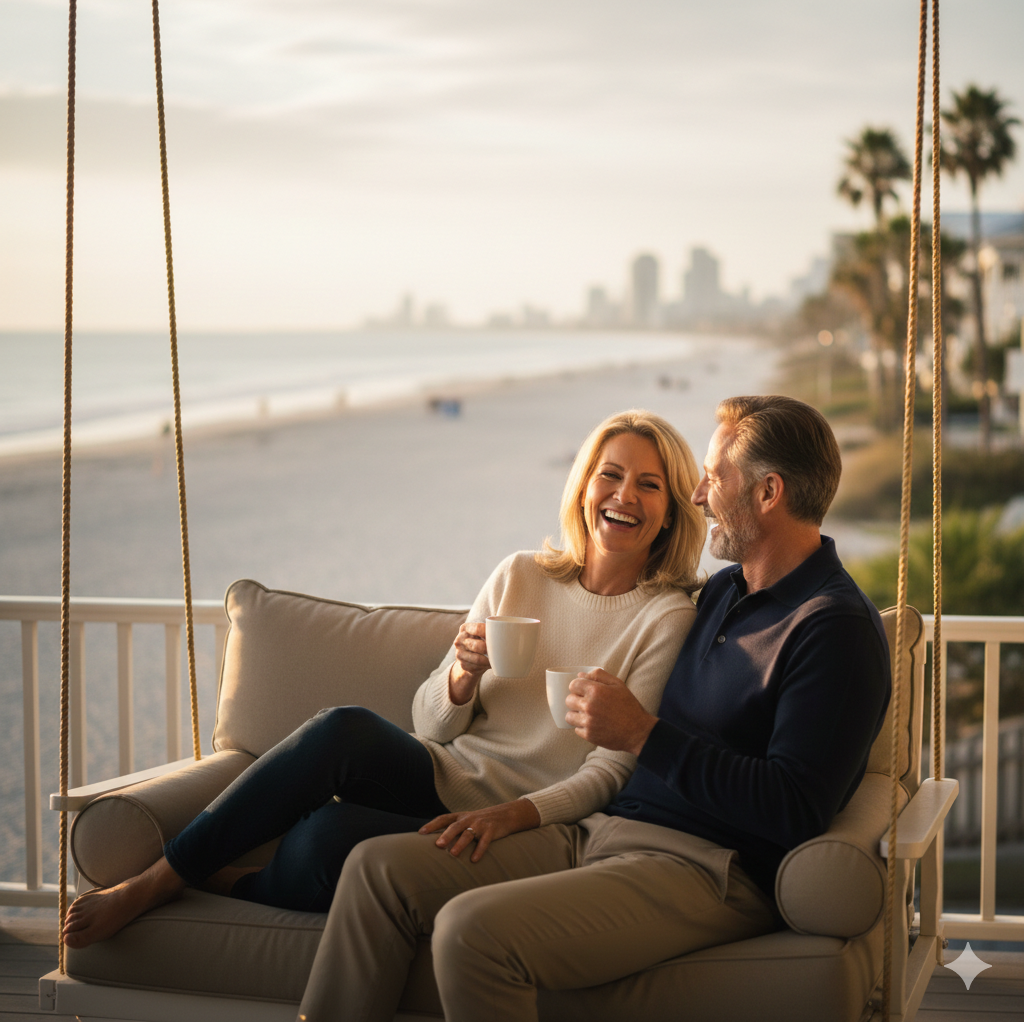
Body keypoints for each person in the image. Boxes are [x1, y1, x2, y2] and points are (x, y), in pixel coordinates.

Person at [297, 394, 892, 1022]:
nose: (698, 496)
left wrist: (642, 733)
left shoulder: (833, 630)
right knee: (376, 867)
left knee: (472, 932)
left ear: (768, 493)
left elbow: (795, 808)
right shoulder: (724, 592)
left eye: (714, 478)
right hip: (598, 833)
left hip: (707, 867)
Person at [62, 409, 707, 948]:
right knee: (343, 728)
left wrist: (516, 815)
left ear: (672, 511)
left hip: (528, 817)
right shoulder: (522, 575)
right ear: (584, 488)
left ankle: (236, 883)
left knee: (328, 839)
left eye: (649, 486)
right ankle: (157, 881)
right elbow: (428, 723)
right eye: (611, 475)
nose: (624, 496)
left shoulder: (666, 617)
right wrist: (460, 675)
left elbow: (613, 767)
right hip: (444, 773)